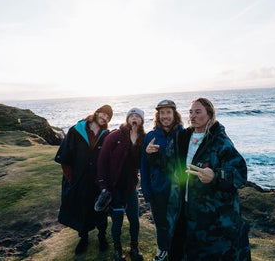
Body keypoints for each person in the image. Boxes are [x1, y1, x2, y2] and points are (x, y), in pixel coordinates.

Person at [146, 98, 251, 261]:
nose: (193, 116)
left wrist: (215, 176)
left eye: (198, 112)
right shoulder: (182, 138)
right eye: (191, 112)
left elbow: (240, 173)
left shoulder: (219, 140)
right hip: (183, 210)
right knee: (183, 251)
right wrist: (154, 156)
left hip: (210, 217)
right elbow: (172, 167)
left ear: (209, 115)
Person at [54, 105, 113, 255]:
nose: (105, 118)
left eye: (108, 117)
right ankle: (83, 238)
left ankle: (102, 236)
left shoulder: (106, 135)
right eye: (104, 114)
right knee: (82, 209)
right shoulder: (76, 131)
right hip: (79, 180)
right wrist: (71, 180)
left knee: (101, 209)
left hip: (98, 181)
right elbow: (65, 158)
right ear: (97, 112)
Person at [96, 108, 146, 261]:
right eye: (131, 115)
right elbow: (102, 161)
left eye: (137, 116)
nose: (134, 118)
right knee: (117, 221)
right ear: (127, 119)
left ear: (142, 120)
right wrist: (103, 186)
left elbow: (145, 162)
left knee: (134, 220)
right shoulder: (115, 136)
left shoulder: (144, 138)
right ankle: (118, 250)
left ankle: (134, 247)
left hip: (131, 187)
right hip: (114, 188)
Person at [140, 100, 184, 261]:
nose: (165, 116)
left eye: (168, 112)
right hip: (157, 189)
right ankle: (162, 249)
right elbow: (143, 167)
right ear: (158, 116)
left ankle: (176, 251)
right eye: (162, 113)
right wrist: (146, 191)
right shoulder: (151, 136)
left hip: (178, 189)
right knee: (160, 224)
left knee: (178, 224)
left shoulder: (183, 134)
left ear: (174, 114)